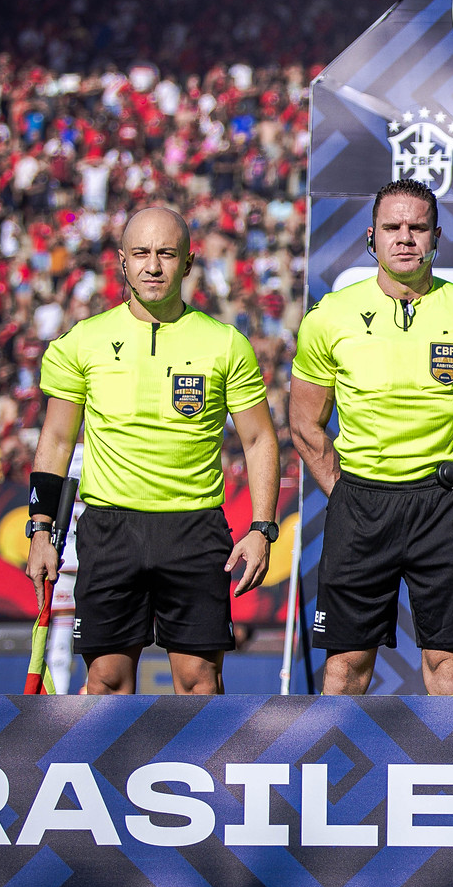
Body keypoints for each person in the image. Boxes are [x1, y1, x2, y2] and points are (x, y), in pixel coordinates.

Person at [26, 207, 280, 696]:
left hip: (194, 529)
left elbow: (258, 439)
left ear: (188, 262)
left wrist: (262, 527)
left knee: (199, 682)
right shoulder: (83, 342)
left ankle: (204, 774)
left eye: (166, 253)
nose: (153, 266)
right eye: (141, 254)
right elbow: (56, 441)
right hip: (109, 529)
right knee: (105, 682)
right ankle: (109, 776)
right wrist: (39, 531)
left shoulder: (225, 343)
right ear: (122, 262)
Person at [290, 179, 453, 695]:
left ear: (437, 236)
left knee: (447, 665)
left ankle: (449, 774)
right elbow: (304, 425)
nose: (405, 237)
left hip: (444, 506)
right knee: (346, 666)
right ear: (372, 237)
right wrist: (346, 491)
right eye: (393, 227)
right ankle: (334, 774)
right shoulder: (329, 316)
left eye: (417, 227)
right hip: (361, 505)